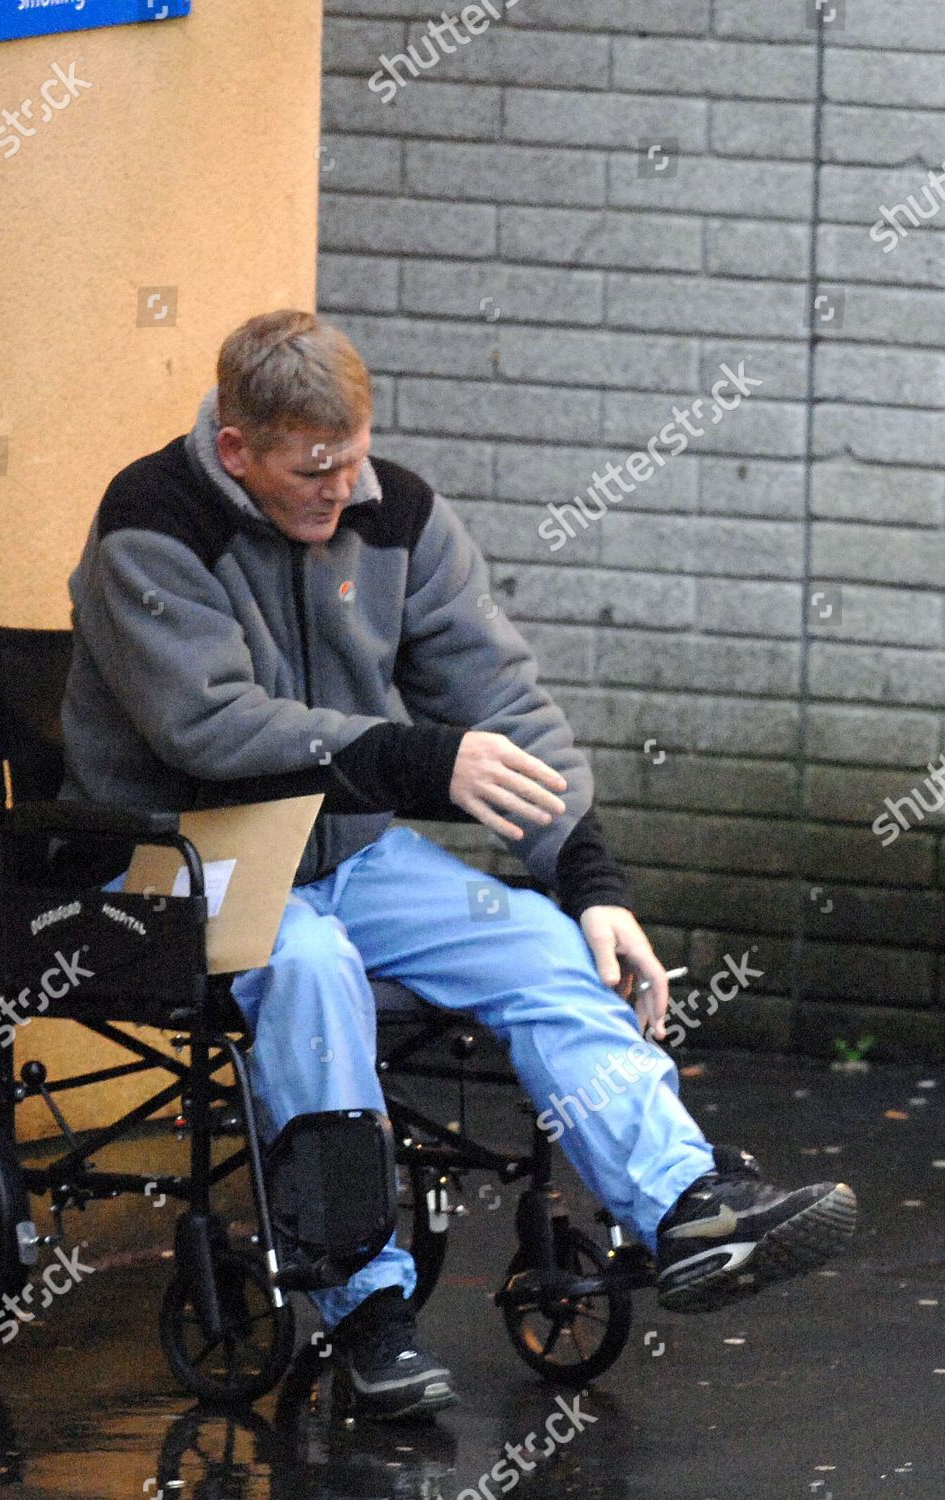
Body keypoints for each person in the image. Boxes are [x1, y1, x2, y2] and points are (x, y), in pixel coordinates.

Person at [58, 309, 857, 1420]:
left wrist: (590, 880)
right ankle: (365, 1309)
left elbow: (500, 704)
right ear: (237, 449)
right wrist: (411, 756)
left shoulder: (399, 513)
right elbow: (209, 731)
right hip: (184, 858)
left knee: (533, 941)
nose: (342, 491)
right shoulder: (149, 523)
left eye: (354, 458)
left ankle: (688, 1205)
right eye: (312, 470)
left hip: (344, 854)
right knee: (311, 969)